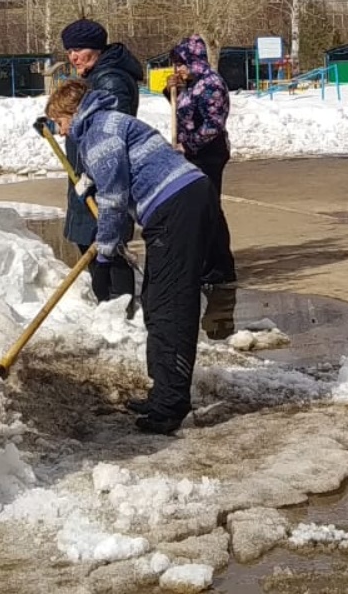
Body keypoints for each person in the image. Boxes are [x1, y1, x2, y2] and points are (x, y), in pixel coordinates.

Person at [45, 80, 215, 435]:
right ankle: (162, 393)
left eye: (60, 123)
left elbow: (114, 199)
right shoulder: (107, 122)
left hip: (175, 207)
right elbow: (118, 171)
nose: (61, 133)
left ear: (72, 113)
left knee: (169, 307)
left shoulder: (98, 135)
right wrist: (90, 182)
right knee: (155, 301)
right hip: (185, 198)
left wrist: (105, 249)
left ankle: (169, 406)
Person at [59, 18, 144, 303]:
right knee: (93, 247)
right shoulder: (96, 77)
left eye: (79, 49)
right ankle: (111, 306)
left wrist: (93, 175)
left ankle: (120, 308)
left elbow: (110, 137)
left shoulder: (110, 81)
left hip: (101, 182)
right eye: (70, 51)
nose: (73, 57)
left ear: (96, 48)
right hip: (87, 177)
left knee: (108, 250)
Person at [169, 35, 236, 288]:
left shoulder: (211, 84)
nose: (178, 69)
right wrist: (172, 91)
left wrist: (188, 145)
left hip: (209, 155)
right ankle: (206, 262)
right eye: (176, 65)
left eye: (181, 64)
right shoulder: (191, 83)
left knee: (209, 208)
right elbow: (185, 112)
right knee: (199, 208)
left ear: (194, 61)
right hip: (192, 155)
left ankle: (220, 266)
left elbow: (212, 125)